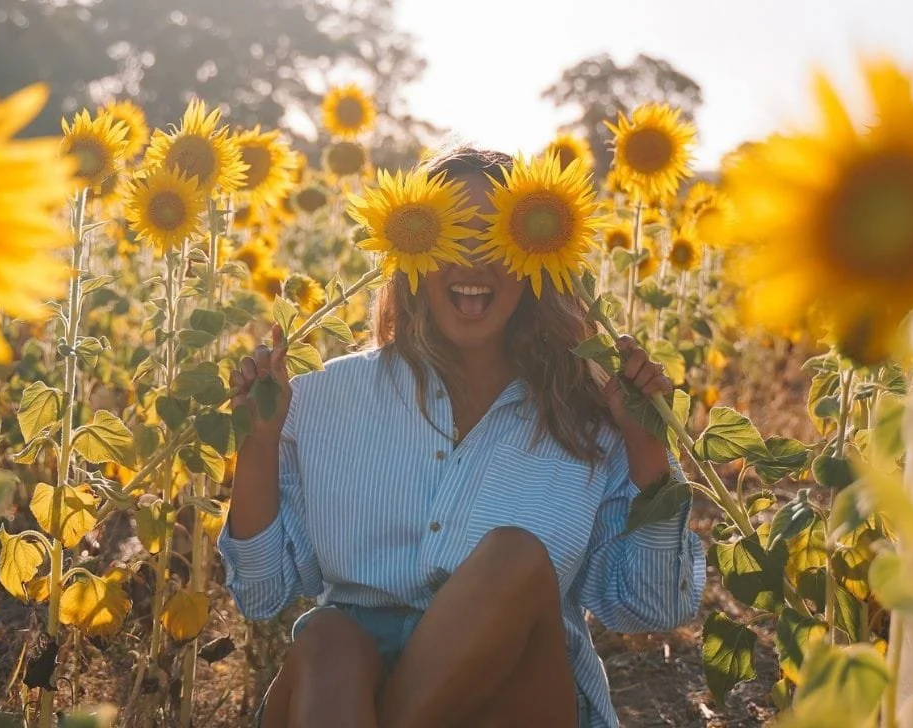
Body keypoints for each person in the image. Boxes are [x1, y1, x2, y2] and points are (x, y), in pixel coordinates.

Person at [218, 147, 705, 728]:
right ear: (411, 248)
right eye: (448, 233)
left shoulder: (587, 419)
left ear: (535, 257)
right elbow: (261, 593)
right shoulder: (326, 399)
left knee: (514, 560)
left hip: (513, 696)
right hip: (347, 695)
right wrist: (259, 443)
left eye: (495, 234)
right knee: (328, 637)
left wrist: (644, 440)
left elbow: (653, 605)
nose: (471, 260)